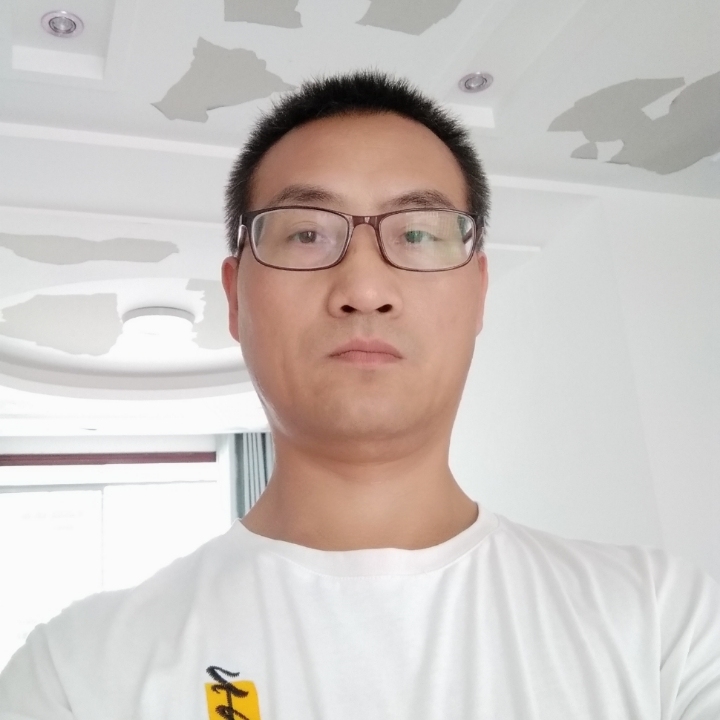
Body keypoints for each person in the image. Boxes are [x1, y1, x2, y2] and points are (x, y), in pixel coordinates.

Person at [1, 70, 718, 720]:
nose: (366, 289)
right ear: (236, 298)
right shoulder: (79, 671)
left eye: (418, 233)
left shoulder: (664, 624)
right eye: (307, 234)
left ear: (478, 293)